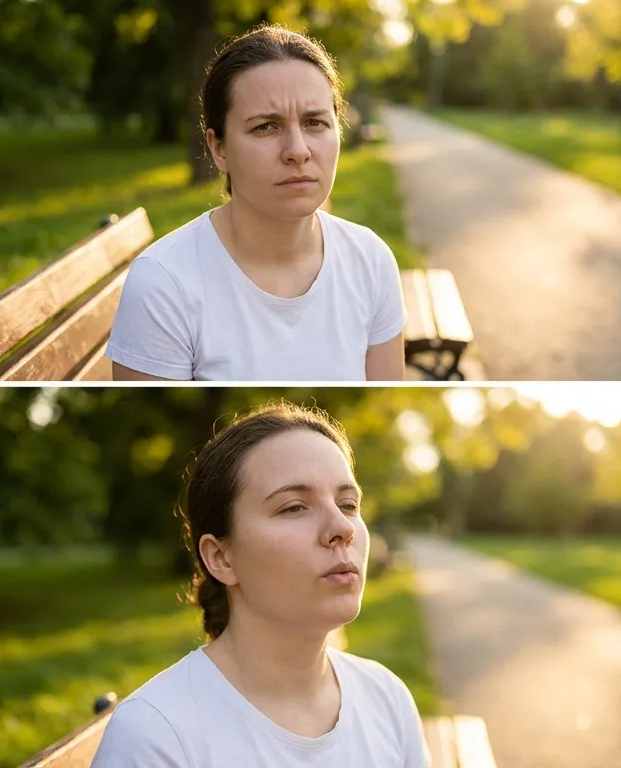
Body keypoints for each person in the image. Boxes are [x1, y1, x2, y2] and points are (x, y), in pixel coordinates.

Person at [91, 403, 429, 767]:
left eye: (347, 504)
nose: (343, 529)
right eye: (294, 507)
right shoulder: (156, 735)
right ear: (221, 558)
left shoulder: (386, 697)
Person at [107, 25, 406, 381]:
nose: (298, 150)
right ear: (219, 149)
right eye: (266, 127)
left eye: (315, 122)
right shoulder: (165, 284)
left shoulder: (370, 261)